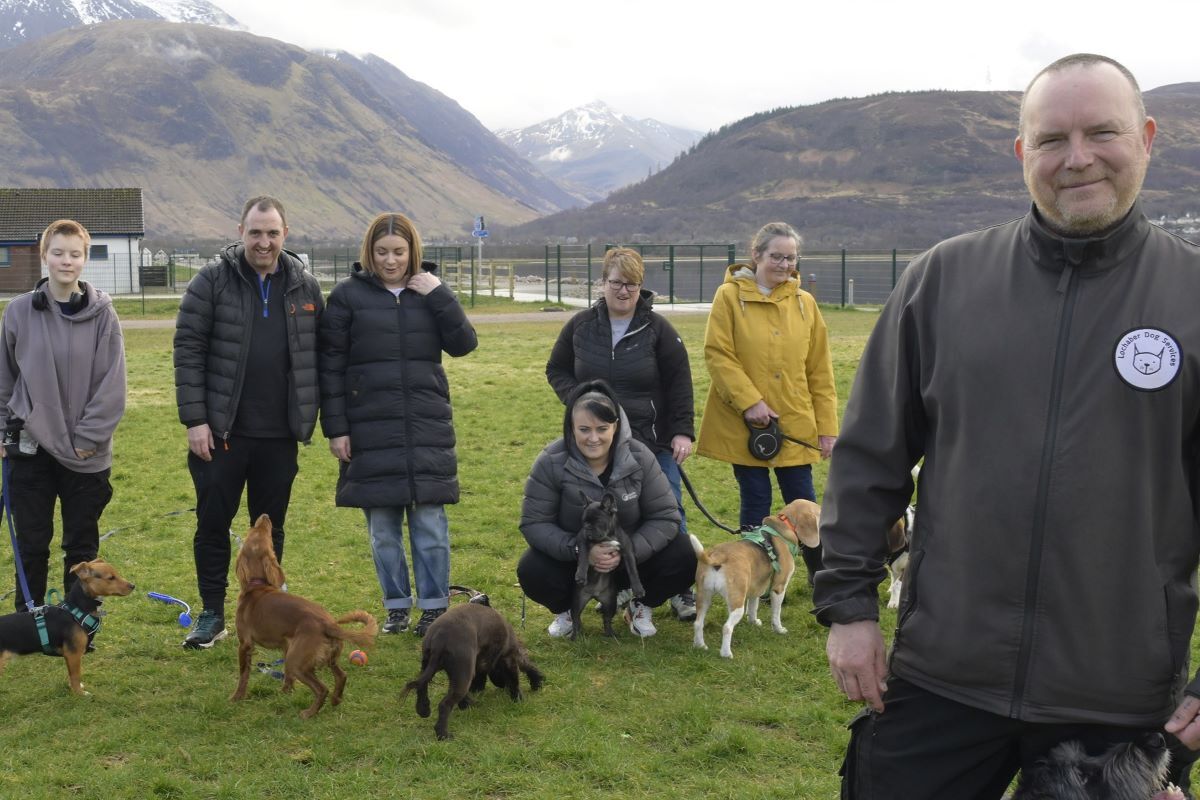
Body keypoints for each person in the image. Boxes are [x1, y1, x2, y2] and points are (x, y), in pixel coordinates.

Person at [814, 53, 1200, 799]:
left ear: (1148, 138)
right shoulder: (943, 281)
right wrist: (850, 608)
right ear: (1023, 154)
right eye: (1052, 139)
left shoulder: (1192, 298)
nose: (1077, 158)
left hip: (1115, 698)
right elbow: (868, 462)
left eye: (1103, 133)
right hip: (942, 676)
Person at [173, 196, 323, 649]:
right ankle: (213, 613)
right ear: (241, 231)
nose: (264, 241)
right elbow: (188, 350)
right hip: (221, 434)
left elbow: (323, 355)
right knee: (212, 523)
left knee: (271, 531)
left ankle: (268, 614)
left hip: (279, 435)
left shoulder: (304, 286)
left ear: (285, 234)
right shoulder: (212, 281)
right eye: (256, 232)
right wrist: (196, 418)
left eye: (272, 233)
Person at [318, 212, 477, 638]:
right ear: (368, 252)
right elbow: (330, 367)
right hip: (369, 430)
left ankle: (434, 608)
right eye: (382, 252)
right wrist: (336, 429)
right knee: (383, 530)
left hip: (426, 428)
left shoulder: (430, 293)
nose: (390, 261)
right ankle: (395, 607)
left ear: (413, 252)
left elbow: (464, 344)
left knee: (430, 524)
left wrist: (440, 293)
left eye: (399, 252)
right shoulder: (347, 298)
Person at [545, 246, 697, 621]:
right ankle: (596, 587)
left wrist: (682, 433)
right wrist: (579, 399)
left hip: (651, 441)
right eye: (616, 283)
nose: (623, 291)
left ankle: (680, 589)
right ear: (603, 283)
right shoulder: (580, 326)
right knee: (595, 516)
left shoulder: (659, 330)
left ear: (641, 286)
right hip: (594, 445)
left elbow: (680, 384)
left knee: (670, 513)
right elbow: (556, 370)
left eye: (631, 284)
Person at [695, 221, 838, 583]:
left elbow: (820, 370)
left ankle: (821, 577)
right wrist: (750, 402)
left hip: (795, 424)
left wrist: (827, 429)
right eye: (776, 256)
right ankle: (750, 576)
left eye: (790, 258)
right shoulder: (728, 297)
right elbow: (719, 355)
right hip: (744, 425)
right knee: (755, 498)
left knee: (804, 501)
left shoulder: (805, 304)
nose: (784, 265)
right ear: (756, 254)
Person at [0, 219, 126, 613]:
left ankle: (79, 622)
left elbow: (112, 385)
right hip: (30, 448)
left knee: (81, 545)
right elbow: (5, 377)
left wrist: (88, 439)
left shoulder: (104, 316)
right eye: (58, 252)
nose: (65, 261)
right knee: (33, 541)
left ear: (85, 259)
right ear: (44, 256)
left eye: (75, 254)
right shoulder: (18, 312)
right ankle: (32, 618)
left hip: (84, 453)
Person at [517, 379, 695, 638]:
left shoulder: (641, 456)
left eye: (602, 428)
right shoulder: (550, 461)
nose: (593, 438)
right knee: (531, 568)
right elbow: (534, 523)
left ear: (616, 426)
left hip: (630, 561)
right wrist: (581, 551)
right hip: (576, 564)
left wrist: (627, 550)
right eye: (584, 429)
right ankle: (568, 609)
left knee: (686, 552)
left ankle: (639, 604)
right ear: (571, 427)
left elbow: (665, 516)